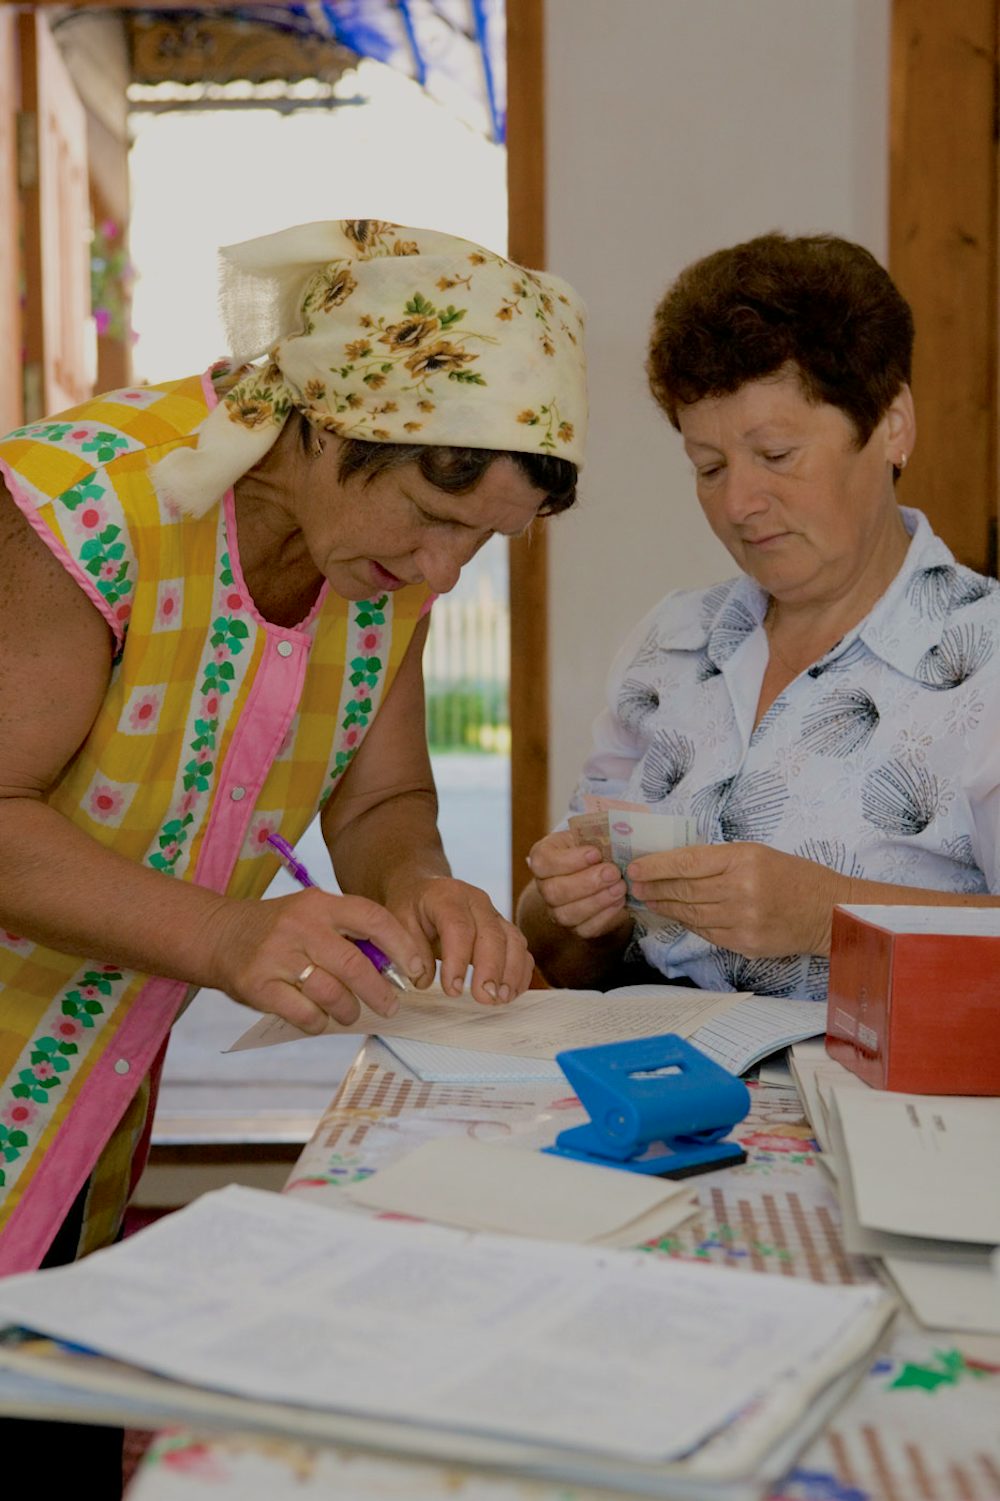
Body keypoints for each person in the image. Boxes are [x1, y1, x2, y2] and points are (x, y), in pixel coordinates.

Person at [0, 219, 587, 1280]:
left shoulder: (375, 570)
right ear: (323, 422)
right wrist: (228, 936)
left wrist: (422, 886)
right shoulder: (90, 507)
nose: (441, 573)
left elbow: (380, 801)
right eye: (429, 515)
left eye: (481, 541)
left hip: (85, 1090)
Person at [518, 230, 1000, 1001]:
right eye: (709, 468)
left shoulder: (984, 661)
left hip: (885, 1115)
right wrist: (573, 912)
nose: (738, 504)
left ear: (891, 425)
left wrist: (826, 916)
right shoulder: (670, 645)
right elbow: (559, 956)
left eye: (776, 454)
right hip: (657, 1094)